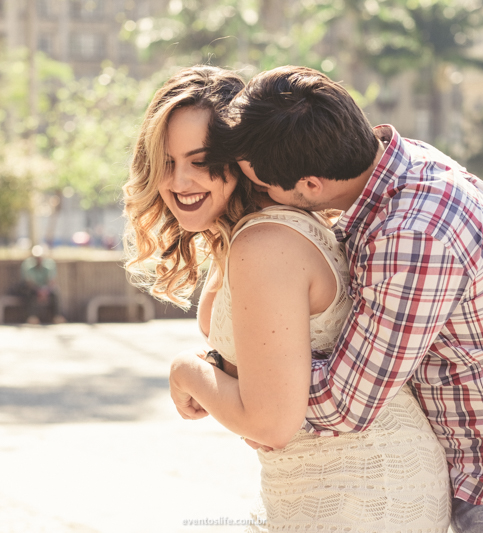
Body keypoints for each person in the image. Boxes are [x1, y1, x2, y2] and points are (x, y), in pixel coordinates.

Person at [181, 65, 483, 532]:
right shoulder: (406, 164)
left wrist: (231, 390)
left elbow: (346, 403)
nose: (262, 196)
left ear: (310, 186)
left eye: (264, 185)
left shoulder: (413, 234)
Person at [123, 65, 451, 532]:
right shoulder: (247, 236)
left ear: (240, 158)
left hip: (363, 493)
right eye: (166, 163)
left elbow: (271, 421)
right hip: (323, 484)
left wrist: (186, 371)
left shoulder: (266, 243)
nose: (178, 181)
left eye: (199, 160)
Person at [19, 246, 65, 325]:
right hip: (33, 289)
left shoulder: (50, 264)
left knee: (55, 292)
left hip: (45, 289)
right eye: (36, 257)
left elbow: (52, 281)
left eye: (40, 257)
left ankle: (57, 316)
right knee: (29, 293)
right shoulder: (27, 265)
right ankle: (32, 317)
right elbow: (28, 283)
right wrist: (38, 291)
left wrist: (45, 291)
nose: (38, 259)